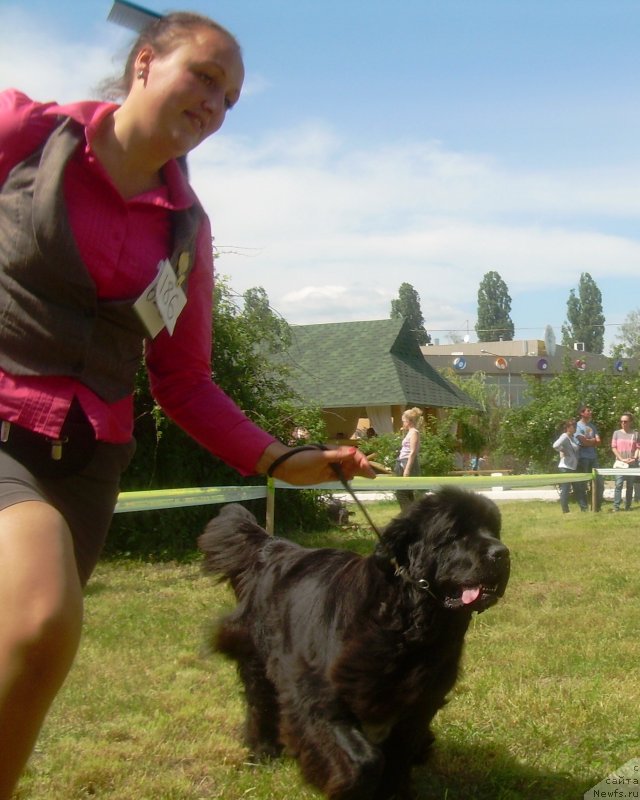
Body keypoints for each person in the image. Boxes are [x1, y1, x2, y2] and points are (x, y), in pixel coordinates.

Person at [0, 13, 375, 798]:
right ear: (145, 63)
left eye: (230, 99)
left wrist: (280, 458)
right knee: (40, 620)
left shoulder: (186, 233)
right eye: (204, 76)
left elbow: (183, 383)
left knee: (30, 656)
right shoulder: (28, 135)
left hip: (90, 462)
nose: (215, 103)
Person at [552, 419, 587, 513]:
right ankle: (565, 511)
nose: (575, 428)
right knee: (566, 489)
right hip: (565, 467)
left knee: (578, 488)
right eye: (573, 427)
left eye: (575, 426)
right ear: (568, 428)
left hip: (572, 467)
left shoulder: (572, 437)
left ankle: (584, 509)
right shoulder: (564, 436)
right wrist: (563, 450)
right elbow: (555, 445)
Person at [574, 405, 603, 511]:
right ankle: (584, 508)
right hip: (582, 458)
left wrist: (589, 441)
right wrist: (592, 441)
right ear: (582, 413)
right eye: (588, 410)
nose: (590, 412)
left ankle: (596, 507)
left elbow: (599, 441)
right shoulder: (577, 426)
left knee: (598, 482)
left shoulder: (592, 426)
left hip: (593, 457)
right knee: (582, 484)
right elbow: (583, 441)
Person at [394, 407, 422, 511]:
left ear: (409, 421)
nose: (403, 423)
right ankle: (412, 514)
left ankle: (407, 514)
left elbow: (413, 452)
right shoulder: (409, 432)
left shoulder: (414, 432)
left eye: (404, 421)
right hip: (402, 463)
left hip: (408, 464)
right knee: (407, 492)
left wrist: (407, 470)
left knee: (401, 493)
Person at [610, 412, 639, 512]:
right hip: (620, 463)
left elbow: (638, 448)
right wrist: (621, 458)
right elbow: (613, 447)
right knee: (618, 484)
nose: (623, 423)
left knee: (630, 485)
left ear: (630, 422)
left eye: (625, 421)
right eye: (621, 421)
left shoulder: (635, 434)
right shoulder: (616, 433)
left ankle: (628, 506)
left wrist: (634, 458)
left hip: (632, 463)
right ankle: (616, 506)